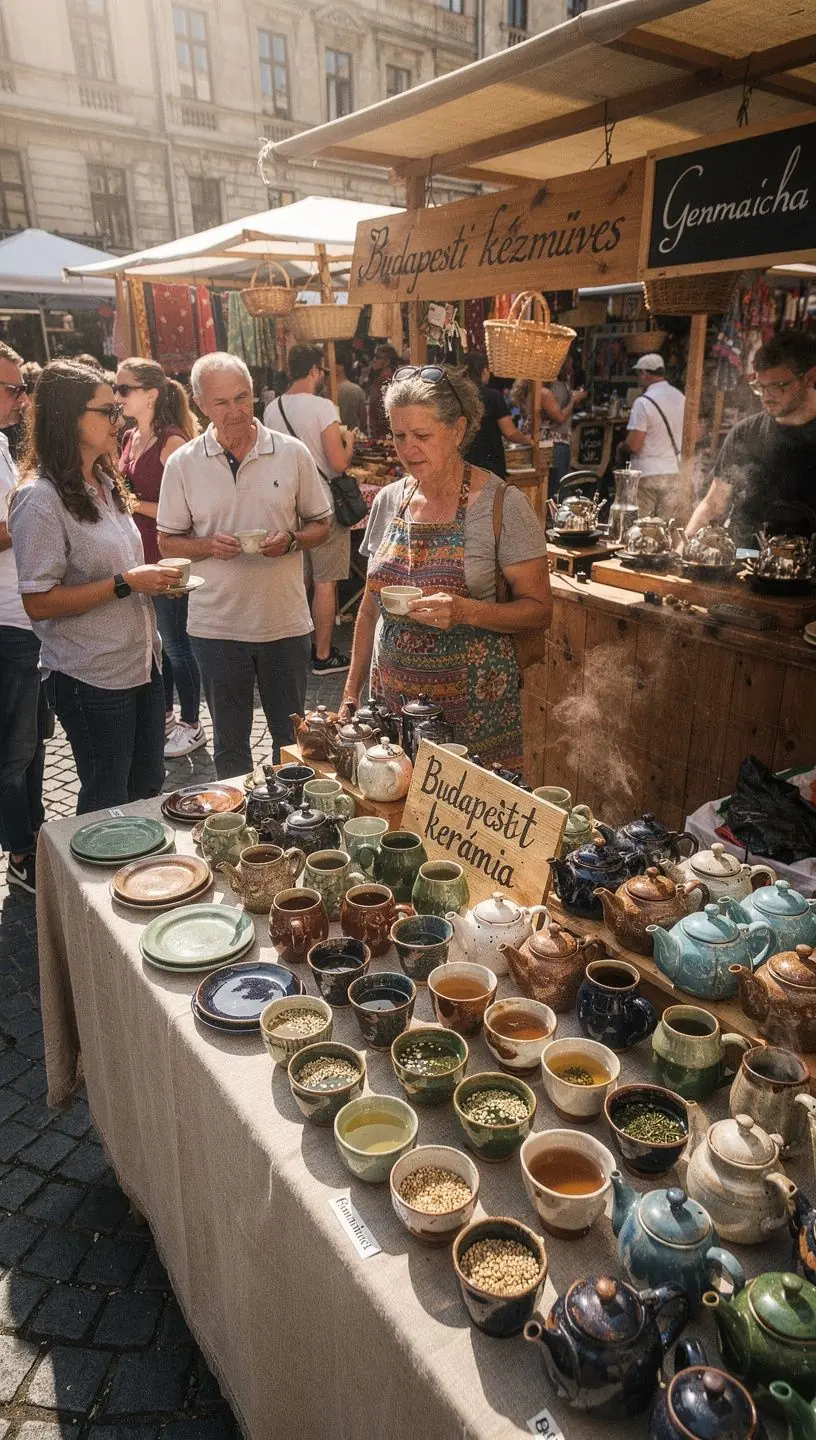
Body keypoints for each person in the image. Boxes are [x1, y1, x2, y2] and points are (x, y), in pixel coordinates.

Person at [339, 364, 552, 770]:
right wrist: (351, 694)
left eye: (422, 436)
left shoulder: (502, 505)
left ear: (458, 430)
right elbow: (368, 610)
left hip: (474, 716)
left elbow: (540, 611)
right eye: (399, 436)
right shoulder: (388, 500)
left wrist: (466, 611)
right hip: (390, 706)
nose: (408, 449)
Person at [9, 362, 180, 815]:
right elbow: (38, 602)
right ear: (68, 418)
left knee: (147, 786)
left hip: (142, 664)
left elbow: (121, 570)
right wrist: (126, 583)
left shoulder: (104, 480)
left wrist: (151, 582)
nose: (118, 420)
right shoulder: (39, 498)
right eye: (108, 411)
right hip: (91, 676)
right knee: (107, 800)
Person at [157, 353, 332, 778]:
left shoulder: (291, 452)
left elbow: (322, 525)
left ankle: (293, 814)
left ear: (254, 393)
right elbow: (166, 541)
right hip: (216, 628)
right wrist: (207, 546)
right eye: (221, 402)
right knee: (230, 747)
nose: (235, 410)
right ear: (201, 404)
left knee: (291, 747)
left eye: (242, 397)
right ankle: (238, 817)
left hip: (284, 623)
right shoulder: (183, 463)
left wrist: (291, 539)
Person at [115, 357, 205, 760]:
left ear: (150, 394)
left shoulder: (172, 442)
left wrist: (133, 503)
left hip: (167, 558)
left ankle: (192, 723)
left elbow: (189, 507)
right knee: (158, 644)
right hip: (140, 557)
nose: (117, 396)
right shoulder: (129, 436)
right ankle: (166, 715)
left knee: (177, 645)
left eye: (124, 389)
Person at [264, 344, 355, 674]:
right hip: (322, 503)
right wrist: (350, 443)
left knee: (294, 580)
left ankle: (292, 650)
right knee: (325, 581)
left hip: (286, 502)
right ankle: (322, 655)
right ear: (315, 370)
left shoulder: (271, 408)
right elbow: (338, 462)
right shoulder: (323, 407)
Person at [686, 330, 816, 546]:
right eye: (760, 387)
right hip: (746, 558)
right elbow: (714, 504)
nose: (766, 396)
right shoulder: (744, 433)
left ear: (810, 378)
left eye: (778, 386)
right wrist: (683, 548)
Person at [0, 342, 42, 892]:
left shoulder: (3, 442)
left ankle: (33, 834)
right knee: (12, 750)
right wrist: (33, 518)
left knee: (31, 743)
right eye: (12, 388)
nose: (22, 398)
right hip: (7, 622)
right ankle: (20, 848)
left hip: (26, 619)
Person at [621, 353, 687, 519]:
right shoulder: (681, 397)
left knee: (643, 528)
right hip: (673, 471)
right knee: (665, 527)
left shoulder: (643, 402)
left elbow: (635, 444)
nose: (638, 377)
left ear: (644, 373)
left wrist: (621, 447)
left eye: (638, 373)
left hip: (647, 474)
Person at [462, 353, 530, 480]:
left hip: (463, 464)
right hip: (489, 466)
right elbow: (510, 433)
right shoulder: (493, 396)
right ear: (484, 370)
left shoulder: (458, 397)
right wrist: (528, 441)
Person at [541, 360, 587, 494]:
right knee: (558, 489)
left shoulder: (561, 383)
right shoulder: (549, 388)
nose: (571, 367)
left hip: (559, 441)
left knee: (557, 487)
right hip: (556, 442)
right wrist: (573, 399)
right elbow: (560, 417)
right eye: (569, 363)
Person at [366, 344, 399, 438]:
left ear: (387, 362)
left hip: (386, 435)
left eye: (378, 357)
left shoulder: (390, 382)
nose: (374, 360)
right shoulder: (378, 381)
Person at [335, 351, 367, 432]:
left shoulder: (324, 390)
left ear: (341, 367)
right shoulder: (357, 390)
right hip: (352, 434)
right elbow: (363, 421)